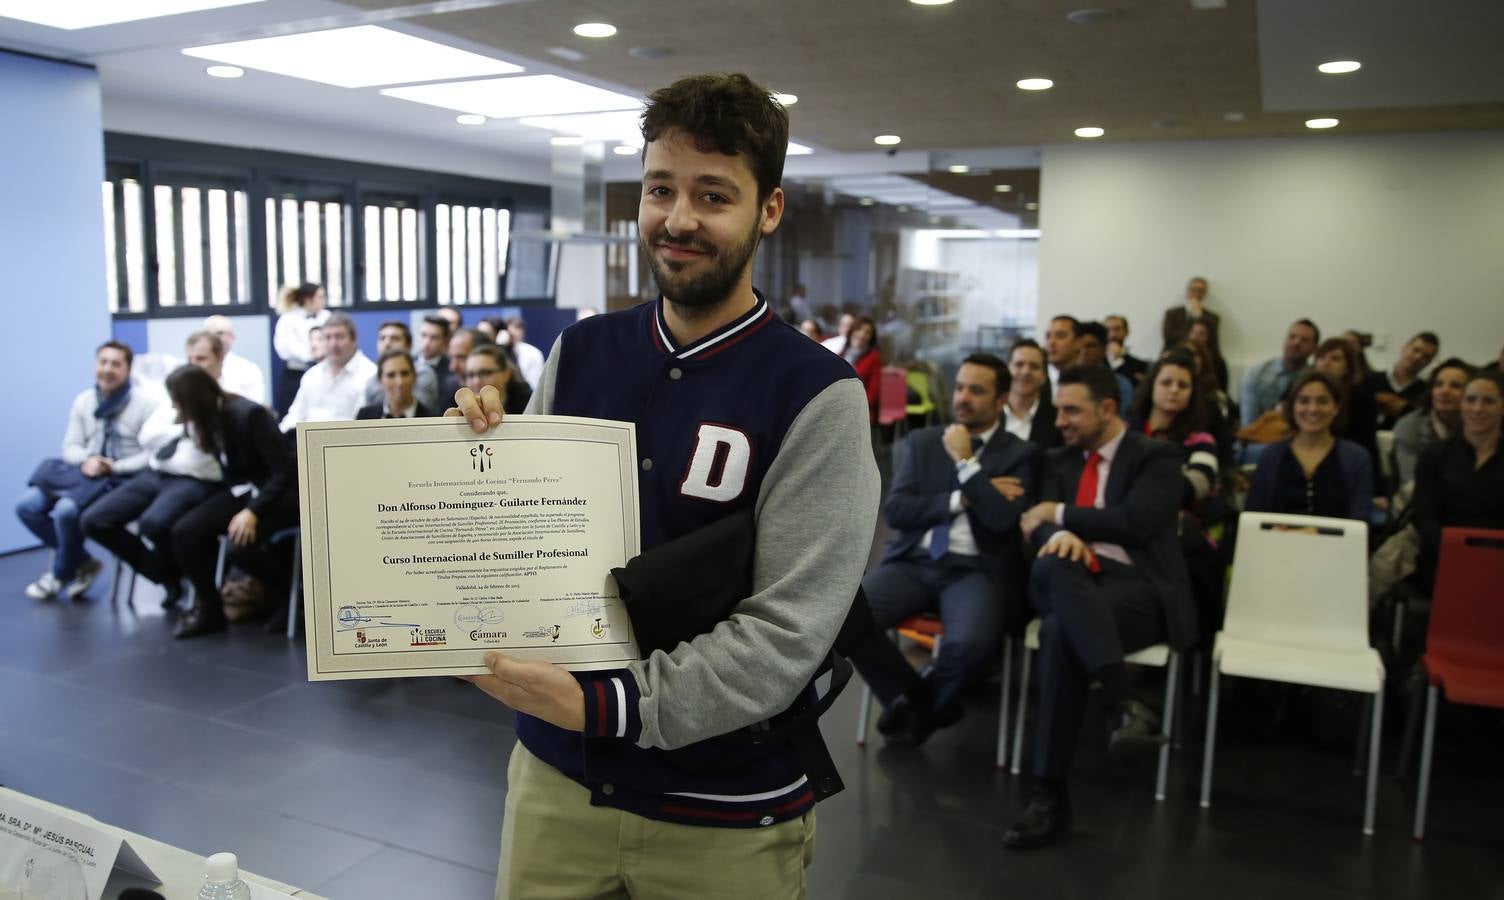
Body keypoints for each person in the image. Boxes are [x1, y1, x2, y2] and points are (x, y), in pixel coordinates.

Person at [448, 71, 880, 898]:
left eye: (713, 195)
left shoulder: (817, 394)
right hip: (557, 785)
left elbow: (787, 635)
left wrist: (609, 706)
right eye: (659, 189)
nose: (678, 220)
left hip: (724, 815)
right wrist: (473, 457)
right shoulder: (582, 352)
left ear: (769, 210)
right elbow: (525, 544)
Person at [1004, 365, 1197, 850]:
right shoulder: (1057, 460)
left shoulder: (1157, 457)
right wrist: (1059, 533)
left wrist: (1059, 515)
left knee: (1058, 633)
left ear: (1108, 409)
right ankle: (1123, 700)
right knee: (1056, 561)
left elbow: (1135, 522)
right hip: (1068, 576)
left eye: (1072, 411)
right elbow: (1032, 523)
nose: (1060, 421)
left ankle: (1049, 794)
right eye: (1058, 410)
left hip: (1137, 588)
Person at [849, 354, 1039, 746]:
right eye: (960, 387)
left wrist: (967, 463)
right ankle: (919, 700)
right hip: (915, 562)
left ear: (1002, 399)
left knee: (970, 646)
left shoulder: (1021, 454)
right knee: (842, 616)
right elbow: (897, 511)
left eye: (977, 391)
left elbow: (1002, 519)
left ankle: (919, 706)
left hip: (976, 569)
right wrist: (964, 498)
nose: (963, 397)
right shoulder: (923, 442)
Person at [138, 366, 299, 639]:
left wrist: (253, 511)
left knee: (240, 545)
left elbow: (285, 471)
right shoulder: (207, 420)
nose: (175, 408)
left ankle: (289, 598)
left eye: (178, 401)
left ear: (194, 399)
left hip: (280, 497)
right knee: (185, 532)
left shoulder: (249, 414)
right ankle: (210, 610)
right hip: (244, 492)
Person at [81, 359, 234, 609]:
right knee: (94, 521)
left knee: (153, 523)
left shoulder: (223, 407)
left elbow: (204, 455)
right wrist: (179, 432)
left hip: (196, 479)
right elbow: (148, 436)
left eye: (202, 358)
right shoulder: (175, 395)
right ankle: (166, 575)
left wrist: (173, 433)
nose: (195, 361)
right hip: (157, 471)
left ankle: (198, 578)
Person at [16, 341, 158, 601]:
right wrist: (87, 460)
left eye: (115, 364)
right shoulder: (84, 401)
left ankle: (59, 574)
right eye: (103, 362)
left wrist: (114, 466)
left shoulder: (146, 403)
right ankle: (81, 562)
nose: (107, 369)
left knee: (67, 510)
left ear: (128, 369)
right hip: (85, 472)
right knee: (26, 506)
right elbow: (70, 446)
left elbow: (151, 453)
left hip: (120, 476)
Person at [1410, 371, 1504, 584]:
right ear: (1461, 405)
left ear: (1502, 406)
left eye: (1488, 401)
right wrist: (1456, 550)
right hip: (1443, 561)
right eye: (1470, 400)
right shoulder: (1434, 455)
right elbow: (1424, 517)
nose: (1477, 409)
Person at [1244, 370, 1374, 522]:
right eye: (1304, 401)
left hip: (1336, 538)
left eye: (1322, 401)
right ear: (1292, 407)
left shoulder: (1356, 458)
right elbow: (1254, 514)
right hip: (1277, 537)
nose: (1312, 409)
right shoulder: (1271, 455)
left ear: (1336, 407)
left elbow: (1361, 518)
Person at [279, 313, 376, 431]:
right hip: (309, 439)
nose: (333, 344)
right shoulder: (312, 375)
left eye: (339, 337)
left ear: (354, 339)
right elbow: (296, 415)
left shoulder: (369, 375)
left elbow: (365, 426)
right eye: (328, 338)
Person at [1391, 359, 1472, 494]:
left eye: (1455, 386)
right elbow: (1411, 485)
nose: (1444, 391)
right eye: (1438, 385)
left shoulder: (1479, 424)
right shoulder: (1410, 425)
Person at [1314, 337, 1381, 493]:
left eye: (1335, 359)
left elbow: (1367, 442)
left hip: (1344, 460)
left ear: (1349, 366)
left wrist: (1377, 491)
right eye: (1321, 357)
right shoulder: (1301, 388)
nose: (1326, 363)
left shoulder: (1360, 395)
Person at [1240, 318, 1319, 427]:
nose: (1296, 342)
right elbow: (1249, 424)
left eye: (1304, 340)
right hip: (1258, 434)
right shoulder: (1256, 374)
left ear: (1315, 348)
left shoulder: (1315, 379)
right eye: (1292, 337)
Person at [271, 282, 328, 416]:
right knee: (293, 414)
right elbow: (287, 348)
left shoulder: (327, 316)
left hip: (323, 372)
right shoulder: (288, 319)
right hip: (295, 374)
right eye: (320, 297)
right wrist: (314, 354)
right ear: (308, 300)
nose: (323, 301)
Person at [1367, 332, 1440, 430]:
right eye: (1416, 350)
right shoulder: (1370, 379)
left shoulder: (1427, 392)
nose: (1418, 357)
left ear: (1430, 362)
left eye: (1426, 356)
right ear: (1405, 348)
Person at [361, 320, 438, 411]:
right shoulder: (371, 381)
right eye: (382, 338)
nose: (387, 343)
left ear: (409, 346)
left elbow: (421, 413)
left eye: (394, 338)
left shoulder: (423, 374)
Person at [1004, 339, 1061, 449]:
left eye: (1034, 366)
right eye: (1019, 365)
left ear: (1044, 376)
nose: (1026, 372)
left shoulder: (1058, 420)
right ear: (1007, 370)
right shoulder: (988, 414)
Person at [202, 315, 266, 405]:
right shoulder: (195, 369)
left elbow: (255, 406)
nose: (214, 338)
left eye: (220, 333)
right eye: (208, 334)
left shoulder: (249, 370)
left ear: (232, 337)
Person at [357, 350, 437, 420]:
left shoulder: (432, 419)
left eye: (404, 374)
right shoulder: (365, 416)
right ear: (380, 380)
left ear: (414, 376)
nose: (399, 382)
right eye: (391, 375)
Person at [1075, 321, 1134, 409]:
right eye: (1079, 346)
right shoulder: (1064, 381)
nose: (1084, 351)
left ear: (1104, 348)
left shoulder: (1120, 384)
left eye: (1091, 346)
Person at [463, 343, 531, 415]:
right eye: (470, 375)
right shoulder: (460, 404)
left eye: (485, 373)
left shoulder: (528, 405)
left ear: (506, 374)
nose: (476, 381)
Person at [1160, 275, 1219, 351]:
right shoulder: (1172, 313)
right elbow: (1168, 337)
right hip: (1173, 352)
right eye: (1194, 289)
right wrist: (1193, 315)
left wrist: (1198, 315)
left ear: (1205, 294)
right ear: (1188, 291)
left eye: (1200, 290)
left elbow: (1211, 340)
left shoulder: (1212, 318)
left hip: (1200, 354)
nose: (1197, 293)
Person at [846, 316, 883, 423]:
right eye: (859, 329)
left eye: (867, 333)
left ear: (871, 338)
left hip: (860, 412)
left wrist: (851, 407)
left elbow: (872, 395)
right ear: (852, 331)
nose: (862, 335)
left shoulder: (874, 358)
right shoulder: (841, 354)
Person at [1187, 317, 1229, 392]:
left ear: (1210, 338)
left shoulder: (1218, 363)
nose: (1195, 337)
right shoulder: (1182, 357)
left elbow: (1221, 390)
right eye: (1193, 332)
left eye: (1201, 334)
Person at [1104, 315, 1147, 384]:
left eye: (1117, 329)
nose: (1112, 334)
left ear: (1126, 332)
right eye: (1107, 330)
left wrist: (1118, 359)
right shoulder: (1095, 362)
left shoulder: (1140, 365)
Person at [505, 316, 546, 390]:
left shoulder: (533, 353)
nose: (514, 333)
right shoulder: (498, 351)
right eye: (509, 332)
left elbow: (535, 385)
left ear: (522, 332)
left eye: (518, 328)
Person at [1043, 315, 1080, 396]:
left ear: (1078, 342)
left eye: (1060, 336)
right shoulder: (1040, 380)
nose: (1051, 342)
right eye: (1048, 336)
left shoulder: (1092, 381)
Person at [417, 314, 452, 381]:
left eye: (434, 337)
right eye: (423, 335)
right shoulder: (408, 363)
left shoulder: (452, 370)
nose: (426, 342)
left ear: (445, 341)